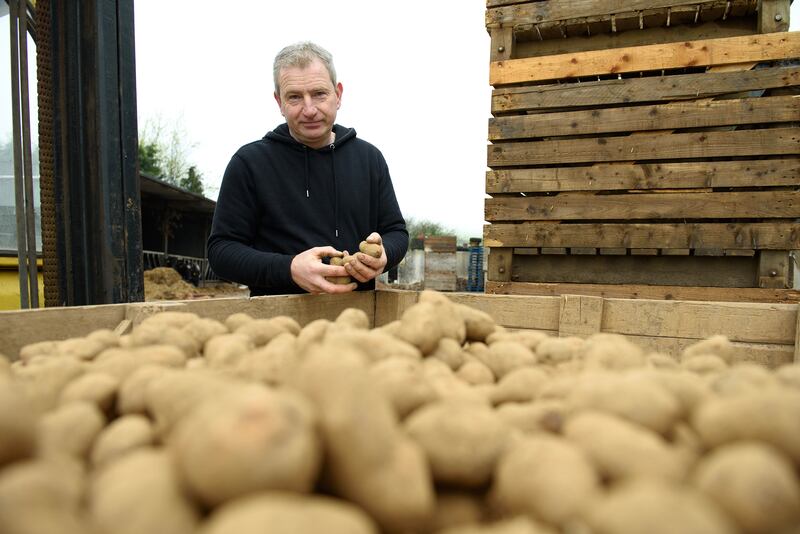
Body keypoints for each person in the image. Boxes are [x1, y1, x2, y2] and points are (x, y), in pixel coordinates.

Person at [207, 42, 408, 296]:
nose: (310, 109)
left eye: (319, 94)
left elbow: (396, 233)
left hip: (357, 323)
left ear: (338, 94)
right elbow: (221, 251)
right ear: (279, 101)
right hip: (277, 325)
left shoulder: (369, 159)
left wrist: (384, 255)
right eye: (294, 97)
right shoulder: (249, 163)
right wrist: (289, 268)